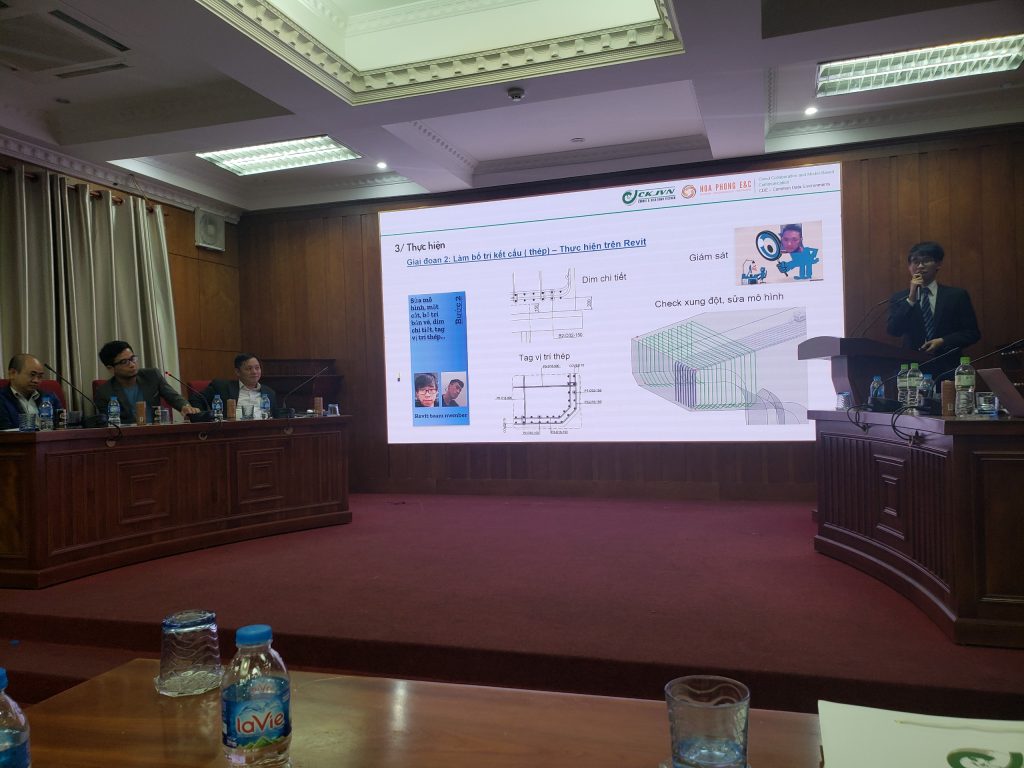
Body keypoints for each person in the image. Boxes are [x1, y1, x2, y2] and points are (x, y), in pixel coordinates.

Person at [886, 242, 980, 373]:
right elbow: (894, 330)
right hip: (913, 370)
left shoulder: (956, 295)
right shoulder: (900, 298)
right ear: (909, 267)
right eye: (915, 262)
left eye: (926, 261)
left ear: (938, 264)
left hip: (948, 367)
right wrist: (911, 299)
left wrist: (943, 341)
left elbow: (972, 333)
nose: (920, 266)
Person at [95, 340, 199, 419]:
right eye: (124, 362)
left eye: (132, 359)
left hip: (157, 432)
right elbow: (108, 425)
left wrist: (185, 406)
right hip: (128, 438)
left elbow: (173, 397)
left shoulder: (152, 376)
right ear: (110, 368)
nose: (132, 364)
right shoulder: (104, 393)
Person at [191, 353, 277, 415]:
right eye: (249, 369)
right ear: (237, 372)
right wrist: (205, 417)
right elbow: (196, 398)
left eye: (257, 368)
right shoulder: (222, 387)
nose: (254, 372)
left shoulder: (269, 392)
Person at [0, 354, 61, 430]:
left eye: (40, 376)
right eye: (32, 375)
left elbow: (62, 426)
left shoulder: (50, 398)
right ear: (12, 374)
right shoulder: (2, 399)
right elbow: (4, 432)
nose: (36, 380)